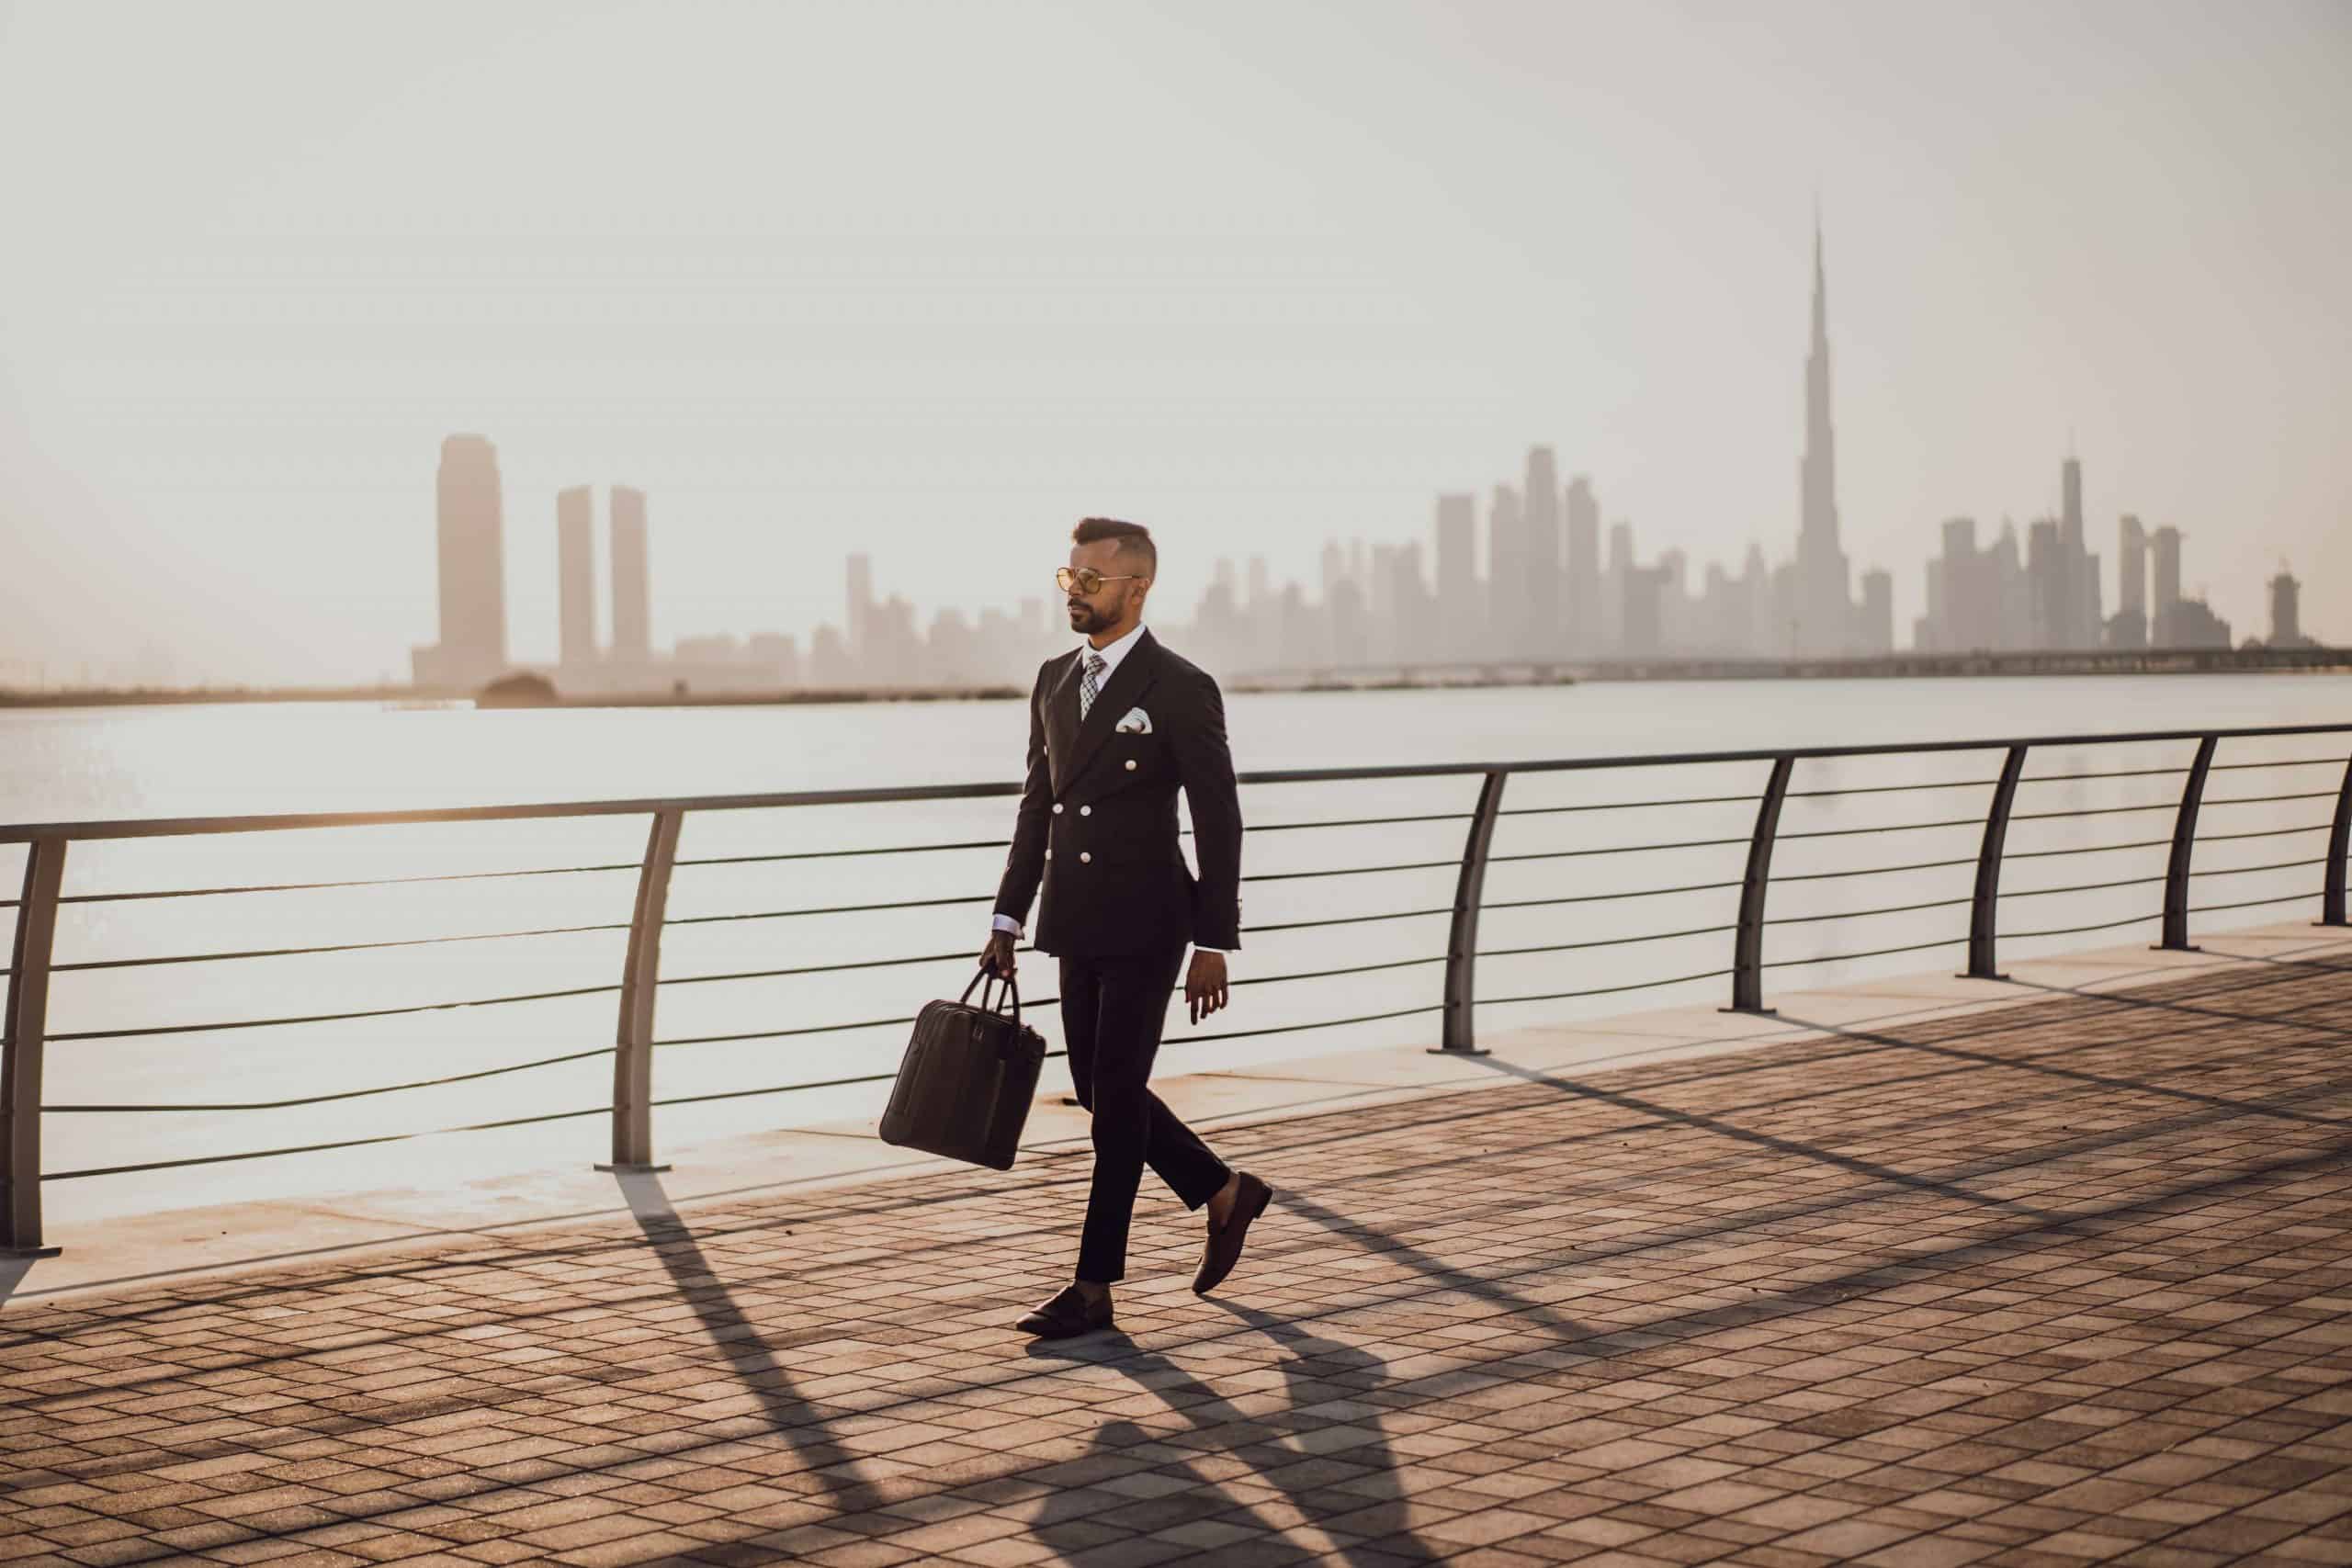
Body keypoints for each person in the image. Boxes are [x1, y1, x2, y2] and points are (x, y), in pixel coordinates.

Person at [981, 517, 1273, 1339]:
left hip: (1152, 921)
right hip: (1072, 921)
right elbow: (1037, 806)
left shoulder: (1180, 684)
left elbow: (1219, 818)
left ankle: (1092, 1286)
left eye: (1091, 580)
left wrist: (1215, 939)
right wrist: (1008, 914)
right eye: (1067, 576)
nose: (1074, 591)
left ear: (1137, 587)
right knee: (1101, 1087)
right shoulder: (1050, 679)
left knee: (1113, 1103)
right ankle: (1223, 1190)